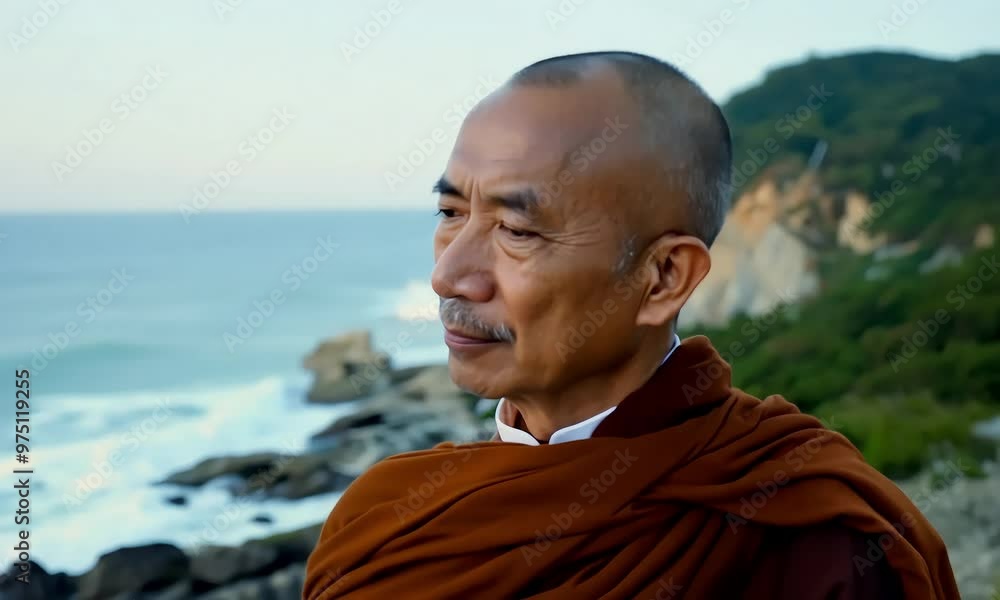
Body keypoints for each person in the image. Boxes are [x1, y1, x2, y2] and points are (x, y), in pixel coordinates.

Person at [304, 51, 959, 599]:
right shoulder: (383, 518)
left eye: (517, 230)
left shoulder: (816, 543)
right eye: (451, 213)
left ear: (664, 277)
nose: (449, 276)